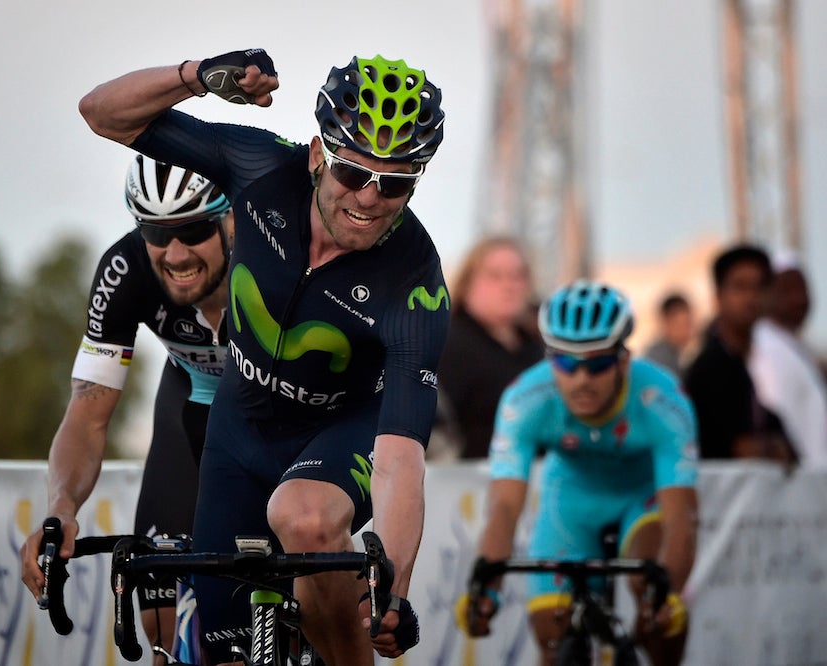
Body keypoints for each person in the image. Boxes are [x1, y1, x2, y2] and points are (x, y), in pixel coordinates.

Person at [79, 49, 449, 664]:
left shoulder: (414, 280)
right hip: (240, 430)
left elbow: (401, 459)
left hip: (343, 431)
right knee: (216, 647)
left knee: (303, 516)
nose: (369, 197)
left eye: (396, 182)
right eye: (353, 173)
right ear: (315, 155)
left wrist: (393, 592)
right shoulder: (259, 168)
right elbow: (101, 113)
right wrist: (195, 78)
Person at [19, 157, 233, 665]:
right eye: (156, 233)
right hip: (195, 398)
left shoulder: (274, 259)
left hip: (281, 412)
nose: (175, 254)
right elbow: (88, 413)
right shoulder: (127, 268)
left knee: (274, 591)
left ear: (230, 220)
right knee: (158, 617)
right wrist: (60, 509)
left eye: (194, 229)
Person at [459, 279, 699, 666]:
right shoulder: (525, 399)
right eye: (566, 362)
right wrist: (487, 582)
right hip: (570, 501)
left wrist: (667, 592)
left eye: (598, 362)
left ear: (624, 358)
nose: (581, 378)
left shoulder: (663, 399)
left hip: (642, 500)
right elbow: (504, 506)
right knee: (553, 639)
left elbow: (681, 517)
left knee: (655, 603)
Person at [683, 243, 794, 461]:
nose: (751, 297)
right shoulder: (711, 368)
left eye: (759, 286)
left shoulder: (755, 361)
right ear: (717, 297)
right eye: (740, 287)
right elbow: (740, 449)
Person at [435, 236, 543, 459]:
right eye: (495, 276)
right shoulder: (446, 344)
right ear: (468, 283)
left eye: (518, 276)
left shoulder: (538, 346)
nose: (509, 286)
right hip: (467, 484)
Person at [748, 251, 827, 469]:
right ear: (767, 294)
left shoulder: (795, 346)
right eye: (788, 290)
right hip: (796, 483)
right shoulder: (764, 346)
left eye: (803, 289)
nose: (800, 299)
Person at [643, 291, 696, 378]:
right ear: (666, 323)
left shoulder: (678, 354)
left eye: (688, 324)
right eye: (680, 325)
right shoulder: (658, 360)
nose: (686, 331)